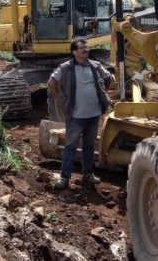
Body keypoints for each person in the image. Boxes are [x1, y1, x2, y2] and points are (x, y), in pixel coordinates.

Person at [47, 38, 112, 189]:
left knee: (89, 145)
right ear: (74, 52)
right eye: (82, 48)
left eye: (86, 47)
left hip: (94, 114)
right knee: (71, 145)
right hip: (76, 115)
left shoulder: (96, 66)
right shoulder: (66, 68)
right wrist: (60, 99)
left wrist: (103, 94)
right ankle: (65, 178)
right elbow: (51, 82)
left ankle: (88, 174)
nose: (86, 50)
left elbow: (108, 78)